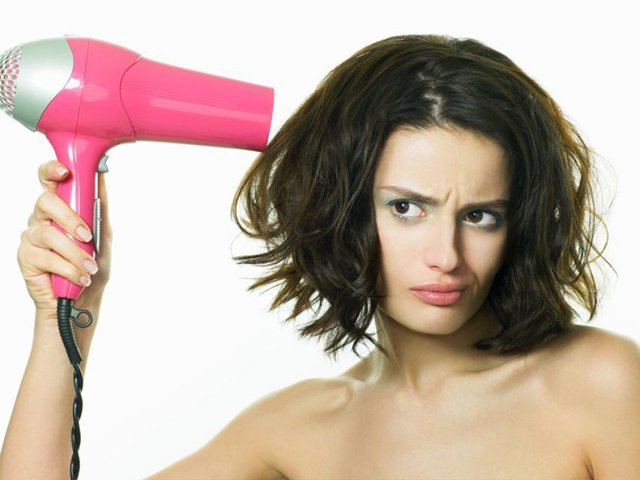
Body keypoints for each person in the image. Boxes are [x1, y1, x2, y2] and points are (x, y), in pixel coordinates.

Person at [1, 34, 639, 479]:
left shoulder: (598, 383)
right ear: (342, 207)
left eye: (479, 216)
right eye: (406, 208)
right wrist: (64, 316)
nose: (446, 256)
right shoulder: (297, 429)